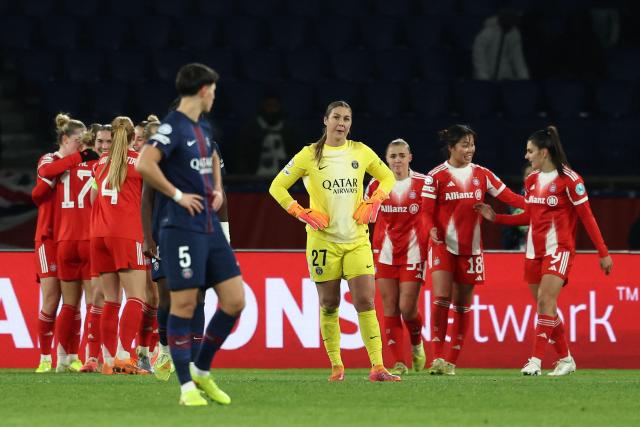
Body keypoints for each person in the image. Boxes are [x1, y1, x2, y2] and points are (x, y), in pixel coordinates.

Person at [136, 63, 245, 406]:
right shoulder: (171, 127)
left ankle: (201, 369)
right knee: (183, 303)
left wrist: (216, 190)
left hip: (209, 227)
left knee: (234, 300)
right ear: (202, 90)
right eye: (213, 89)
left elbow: (210, 158)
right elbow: (144, 163)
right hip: (180, 228)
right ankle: (186, 388)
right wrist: (178, 194)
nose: (215, 95)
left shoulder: (203, 127)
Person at [269, 100, 401, 383]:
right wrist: (300, 211)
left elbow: (387, 177)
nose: (342, 123)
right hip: (322, 242)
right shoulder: (309, 155)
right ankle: (337, 366)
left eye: (347, 119)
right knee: (329, 304)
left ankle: (378, 367)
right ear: (325, 121)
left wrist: (374, 200)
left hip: (356, 239)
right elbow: (276, 186)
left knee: (365, 300)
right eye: (337, 118)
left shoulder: (361, 151)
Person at [474, 125, 613, 376]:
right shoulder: (532, 180)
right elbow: (530, 216)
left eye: (530, 151)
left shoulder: (570, 180)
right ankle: (566, 359)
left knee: (545, 301)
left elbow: (588, 218)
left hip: (559, 249)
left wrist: (603, 252)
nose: (526, 156)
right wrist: (497, 219)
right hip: (532, 252)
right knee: (545, 308)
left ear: (544, 152)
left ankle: (535, 361)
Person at [422, 124, 525, 376]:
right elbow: (424, 212)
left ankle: (451, 361)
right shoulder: (435, 176)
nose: (470, 150)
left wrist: (538, 204)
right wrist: (431, 230)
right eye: (464, 145)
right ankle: (436, 357)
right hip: (442, 245)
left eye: (472, 144)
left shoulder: (482, 174)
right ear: (452, 147)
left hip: (471, 249)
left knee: (462, 304)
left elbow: (510, 197)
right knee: (441, 297)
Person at [37, 113, 99, 372]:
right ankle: (44, 358)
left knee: (72, 301)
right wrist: (79, 158)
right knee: (52, 299)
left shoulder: (79, 164)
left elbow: (39, 193)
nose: (81, 145)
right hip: (47, 237)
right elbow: (38, 192)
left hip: (66, 236)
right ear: (64, 139)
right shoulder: (51, 159)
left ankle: (69, 356)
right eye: (77, 140)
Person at [90, 116, 149, 375]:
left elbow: (93, 197)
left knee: (110, 300)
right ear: (132, 137)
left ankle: (108, 359)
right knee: (137, 296)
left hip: (98, 236)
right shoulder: (141, 162)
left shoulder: (99, 164)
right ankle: (125, 357)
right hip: (126, 234)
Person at [365, 138, 428, 375]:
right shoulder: (375, 185)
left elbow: (434, 215)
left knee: (407, 308)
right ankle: (400, 363)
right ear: (386, 160)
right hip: (384, 253)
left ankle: (416, 343)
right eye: (393, 156)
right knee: (390, 307)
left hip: (414, 253)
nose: (398, 161)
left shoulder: (424, 183)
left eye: (402, 156)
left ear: (410, 157)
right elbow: (366, 217)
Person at [236, 93, 298, 176]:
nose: (272, 109)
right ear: (262, 107)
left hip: (284, 177)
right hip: (254, 177)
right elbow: (242, 157)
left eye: (274, 106)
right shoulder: (250, 129)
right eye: (268, 106)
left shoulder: (289, 130)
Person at [472, 8, 529, 80]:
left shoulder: (514, 34)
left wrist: (524, 80)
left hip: (507, 80)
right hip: (487, 80)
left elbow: (518, 60)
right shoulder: (485, 35)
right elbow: (479, 60)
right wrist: (484, 80)